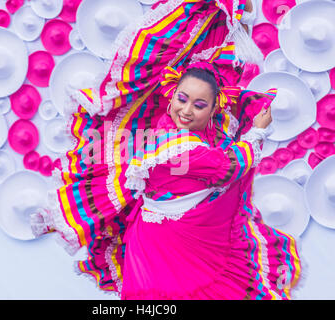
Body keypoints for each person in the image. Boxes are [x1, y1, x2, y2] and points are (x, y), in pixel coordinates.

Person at [30, 0, 303, 300]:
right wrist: (259, 132)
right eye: (182, 99)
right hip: (160, 245)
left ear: (214, 109)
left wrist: (225, 20)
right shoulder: (185, 146)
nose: (186, 110)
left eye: (199, 105)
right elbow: (229, 166)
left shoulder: (177, 125)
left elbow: (206, 72)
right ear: (171, 95)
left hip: (176, 239)